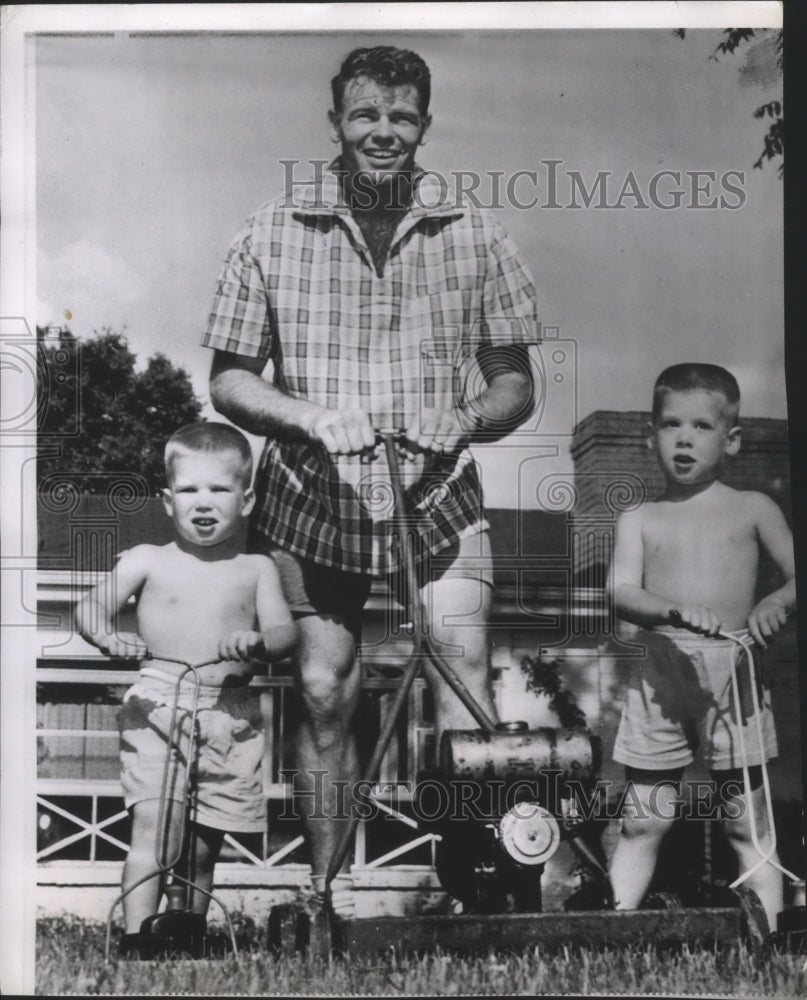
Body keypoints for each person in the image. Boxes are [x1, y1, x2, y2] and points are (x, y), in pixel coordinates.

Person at [202, 45, 539, 905]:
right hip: (312, 505)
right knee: (321, 691)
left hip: (438, 503)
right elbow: (230, 380)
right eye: (364, 116)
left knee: (462, 687)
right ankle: (326, 897)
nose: (381, 133)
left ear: (423, 125)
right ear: (335, 123)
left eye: (399, 117)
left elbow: (515, 386)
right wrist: (308, 417)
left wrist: (462, 418)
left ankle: (481, 898)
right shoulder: (270, 229)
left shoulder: (478, 231)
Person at [75, 422, 298, 945]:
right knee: (155, 829)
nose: (204, 502)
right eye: (189, 489)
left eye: (219, 489)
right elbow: (89, 608)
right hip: (159, 707)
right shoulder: (147, 559)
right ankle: (136, 937)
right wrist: (107, 637)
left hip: (230, 714)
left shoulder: (256, 568)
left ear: (246, 500)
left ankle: (186, 932)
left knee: (202, 845)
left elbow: (286, 633)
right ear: (167, 499)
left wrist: (260, 642)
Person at [608, 363, 796, 932]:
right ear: (651, 436)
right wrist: (668, 609)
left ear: (731, 439)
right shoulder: (640, 516)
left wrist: (776, 603)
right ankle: (616, 933)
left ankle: (767, 942)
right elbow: (621, 591)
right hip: (662, 676)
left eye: (702, 426)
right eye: (670, 425)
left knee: (747, 824)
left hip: (733, 674)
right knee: (643, 821)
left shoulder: (753, 507)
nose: (684, 438)